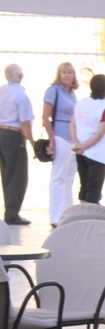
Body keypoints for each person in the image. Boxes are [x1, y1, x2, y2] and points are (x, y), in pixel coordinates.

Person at [43, 62, 79, 227]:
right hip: (60, 136)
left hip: (72, 139)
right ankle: (56, 216)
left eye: (69, 72)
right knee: (58, 177)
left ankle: (67, 214)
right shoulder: (54, 90)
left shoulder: (72, 94)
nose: (66, 75)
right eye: (64, 72)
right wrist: (52, 139)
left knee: (69, 178)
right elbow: (45, 116)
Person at [70, 74, 105, 205]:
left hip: (80, 151)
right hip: (98, 153)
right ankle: (89, 215)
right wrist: (86, 146)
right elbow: (100, 133)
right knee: (94, 190)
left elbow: (72, 124)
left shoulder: (81, 103)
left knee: (84, 187)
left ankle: (82, 212)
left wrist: (77, 143)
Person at [0, 64, 34, 225]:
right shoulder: (20, 95)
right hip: (13, 136)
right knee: (17, 176)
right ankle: (12, 214)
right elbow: (25, 122)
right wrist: (33, 143)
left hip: (1, 133)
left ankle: (10, 211)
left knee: (6, 174)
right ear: (20, 76)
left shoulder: (1, 91)